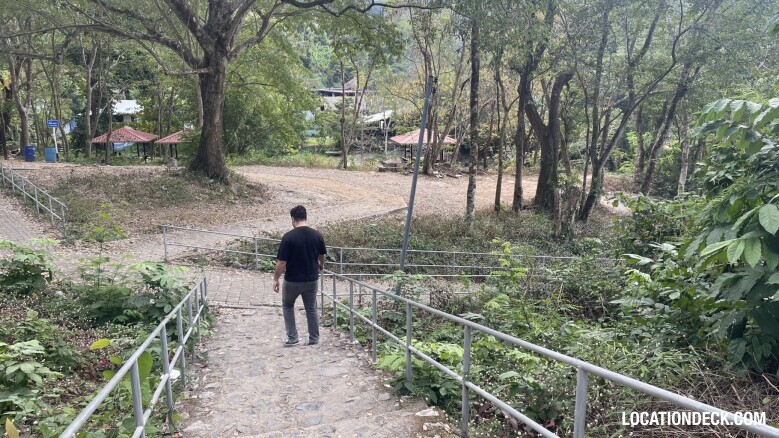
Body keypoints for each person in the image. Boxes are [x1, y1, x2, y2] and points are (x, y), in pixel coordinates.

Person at [273, 205, 327, 347]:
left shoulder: (288, 237)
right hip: (311, 279)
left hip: (292, 280)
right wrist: (320, 265)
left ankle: (292, 338)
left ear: (293, 219)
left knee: (288, 305)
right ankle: (314, 338)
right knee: (311, 308)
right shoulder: (317, 235)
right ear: (305, 217)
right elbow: (322, 255)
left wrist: (275, 279)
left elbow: (282, 262)